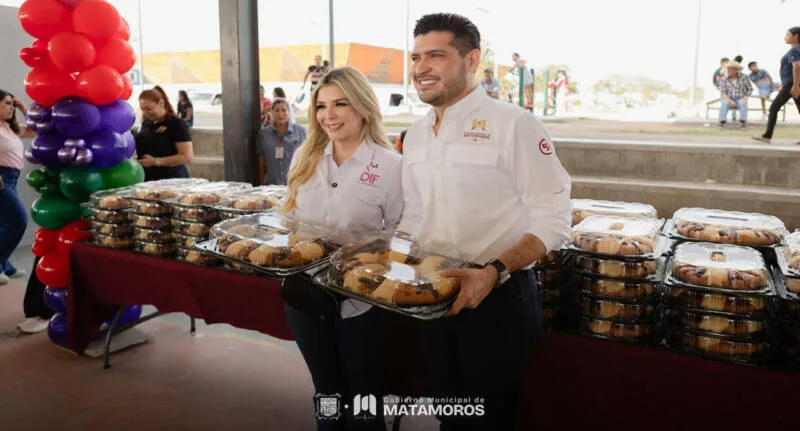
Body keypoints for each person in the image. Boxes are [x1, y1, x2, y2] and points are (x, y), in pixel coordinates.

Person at [403, 13, 571, 429]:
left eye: (436, 56)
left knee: (490, 418)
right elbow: (412, 215)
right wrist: (392, 268)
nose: (421, 68)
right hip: (433, 295)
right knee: (448, 411)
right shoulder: (416, 135)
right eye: (416, 57)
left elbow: (555, 216)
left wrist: (494, 272)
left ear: (472, 59)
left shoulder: (515, 124)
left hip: (497, 298)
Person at [280, 66, 403, 430]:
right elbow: (288, 221)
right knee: (327, 390)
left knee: (364, 395)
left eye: (340, 104)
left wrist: (367, 254)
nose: (328, 115)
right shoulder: (305, 157)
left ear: (363, 107)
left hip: (362, 302)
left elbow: (403, 235)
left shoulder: (391, 166)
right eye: (321, 106)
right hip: (305, 296)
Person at [0, 90, 33, 287]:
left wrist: (24, 110)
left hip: (12, 177)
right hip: (2, 178)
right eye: (7, 103)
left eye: (13, 103)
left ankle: (6, 265)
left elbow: (36, 130)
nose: (11, 107)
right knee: (18, 220)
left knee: (5, 224)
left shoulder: (8, 127)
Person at [135, 86, 194, 180]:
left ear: (161, 103)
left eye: (149, 109)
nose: (145, 113)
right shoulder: (146, 123)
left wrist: (156, 161)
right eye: (142, 109)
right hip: (148, 180)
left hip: (171, 179)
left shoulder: (176, 124)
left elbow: (187, 157)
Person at [753, 27, 800, 144]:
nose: (785, 37)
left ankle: (767, 136)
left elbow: (797, 66)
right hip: (791, 84)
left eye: (788, 35)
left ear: (796, 36)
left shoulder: (794, 50)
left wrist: (795, 86)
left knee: (773, 108)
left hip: (792, 85)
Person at [257, 98, 306, 185]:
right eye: (276, 110)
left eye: (284, 110)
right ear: (271, 112)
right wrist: (261, 183)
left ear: (289, 112)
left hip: (296, 183)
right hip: (272, 184)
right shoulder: (264, 134)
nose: (280, 113)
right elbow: (261, 160)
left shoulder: (300, 131)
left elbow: (307, 157)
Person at [718, 61, 752, 129]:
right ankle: (722, 122)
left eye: (730, 69)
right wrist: (731, 101)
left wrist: (746, 97)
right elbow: (723, 93)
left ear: (736, 69)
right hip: (728, 98)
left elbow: (750, 89)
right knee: (724, 103)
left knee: (743, 103)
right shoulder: (724, 79)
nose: (728, 70)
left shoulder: (744, 77)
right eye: (728, 69)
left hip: (741, 98)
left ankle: (743, 122)